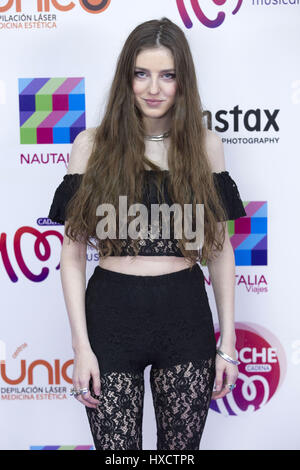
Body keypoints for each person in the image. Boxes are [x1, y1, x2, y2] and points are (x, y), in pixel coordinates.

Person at [48, 17, 246, 450]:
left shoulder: (205, 145)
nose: (153, 88)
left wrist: (227, 341)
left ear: (182, 81)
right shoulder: (91, 146)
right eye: (142, 73)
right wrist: (81, 346)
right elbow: (73, 254)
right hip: (111, 317)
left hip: (185, 317)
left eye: (167, 75)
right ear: (127, 77)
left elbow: (218, 249)